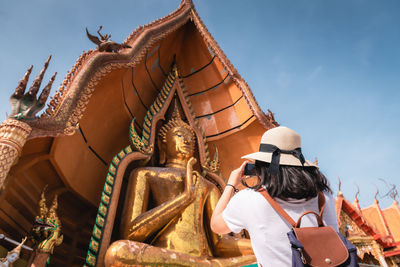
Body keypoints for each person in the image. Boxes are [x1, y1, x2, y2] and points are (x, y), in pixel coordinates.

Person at [210, 126, 339, 266]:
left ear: (261, 166)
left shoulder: (249, 199)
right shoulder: (324, 197)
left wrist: (231, 184)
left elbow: (216, 226)